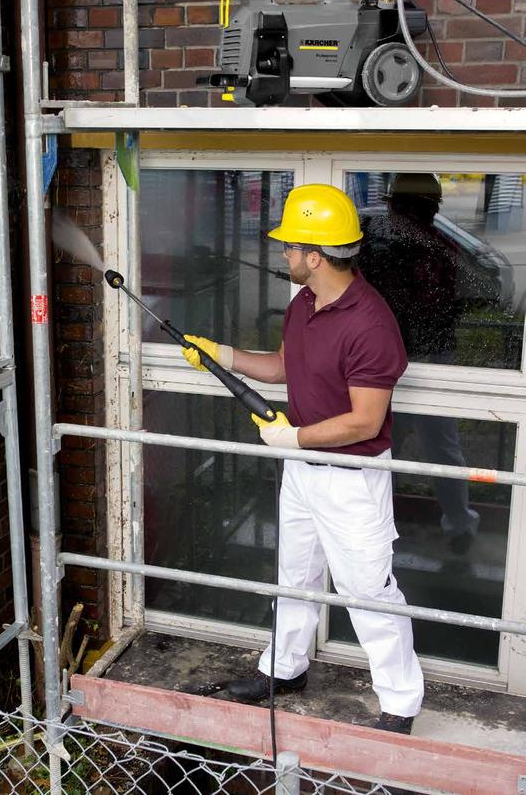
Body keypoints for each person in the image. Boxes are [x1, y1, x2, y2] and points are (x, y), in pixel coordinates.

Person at [181, 183, 424, 735]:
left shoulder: (370, 324)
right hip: (304, 471)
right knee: (295, 576)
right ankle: (285, 670)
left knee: (368, 590)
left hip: (351, 479)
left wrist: (295, 440)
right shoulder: (305, 303)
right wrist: (222, 354)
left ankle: (401, 703)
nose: (284, 254)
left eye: (290, 246)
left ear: (315, 255)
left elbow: (365, 420)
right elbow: (283, 369)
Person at [358, 173, 480, 554]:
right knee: (433, 448)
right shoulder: (436, 246)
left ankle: (377, 526)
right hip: (416, 358)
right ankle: (458, 523)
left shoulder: (388, 246)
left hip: (406, 360)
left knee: (385, 446)